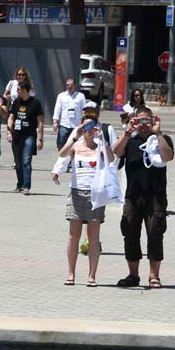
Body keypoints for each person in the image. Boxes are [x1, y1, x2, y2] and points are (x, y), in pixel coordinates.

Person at [111, 107, 174, 288]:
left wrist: (158, 132)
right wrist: (128, 131)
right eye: (140, 121)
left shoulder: (162, 139)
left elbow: (167, 156)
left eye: (147, 121)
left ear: (153, 120)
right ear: (134, 120)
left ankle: (154, 276)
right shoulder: (130, 140)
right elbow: (116, 151)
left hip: (156, 196)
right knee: (130, 233)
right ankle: (133, 275)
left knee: (155, 234)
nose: (144, 125)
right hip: (133, 195)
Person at [53, 121, 108, 286]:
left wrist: (102, 138)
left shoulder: (100, 146)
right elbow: (62, 154)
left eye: (91, 128)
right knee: (73, 236)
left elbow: (112, 159)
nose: (89, 131)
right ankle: (71, 274)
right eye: (85, 128)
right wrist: (74, 136)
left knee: (93, 236)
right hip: (76, 192)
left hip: (95, 194)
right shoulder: (76, 145)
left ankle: (92, 276)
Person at [6, 81, 45, 194]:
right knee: (18, 163)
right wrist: (9, 132)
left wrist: (41, 139)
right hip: (17, 135)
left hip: (29, 135)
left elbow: (40, 122)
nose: (16, 91)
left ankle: (26, 186)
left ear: (24, 90)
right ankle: (20, 184)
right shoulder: (16, 102)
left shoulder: (36, 103)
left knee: (26, 160)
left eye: (18, 89)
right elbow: (11, 117)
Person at [52, 76, 88, 150]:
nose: (69, 87)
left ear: (75, 85)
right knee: (61, 144)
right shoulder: (61, 96)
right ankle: (62, 158)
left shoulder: (81, 96)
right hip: (64, 125)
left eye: (71, 85)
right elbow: (57, 109)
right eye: (67, 85)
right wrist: (55, 122)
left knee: (77, 145)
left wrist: (85, 122)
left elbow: (84, 110)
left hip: (76, 125)